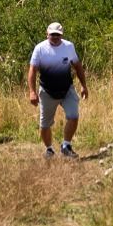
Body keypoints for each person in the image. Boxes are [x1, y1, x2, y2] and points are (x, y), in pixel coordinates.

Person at [26, 21, 87, 158]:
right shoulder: (40, 49)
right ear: (47, 34)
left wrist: (83, 85)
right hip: (47, 91)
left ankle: (66, 145)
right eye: (52, 35)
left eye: (58, 35)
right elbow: (32, 70)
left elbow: (78, 67)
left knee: (74, 116)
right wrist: (32, 92)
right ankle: (49, 149)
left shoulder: (68, 47)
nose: (55, 37)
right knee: (45, 124)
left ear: (62, 35)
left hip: (67, 89)